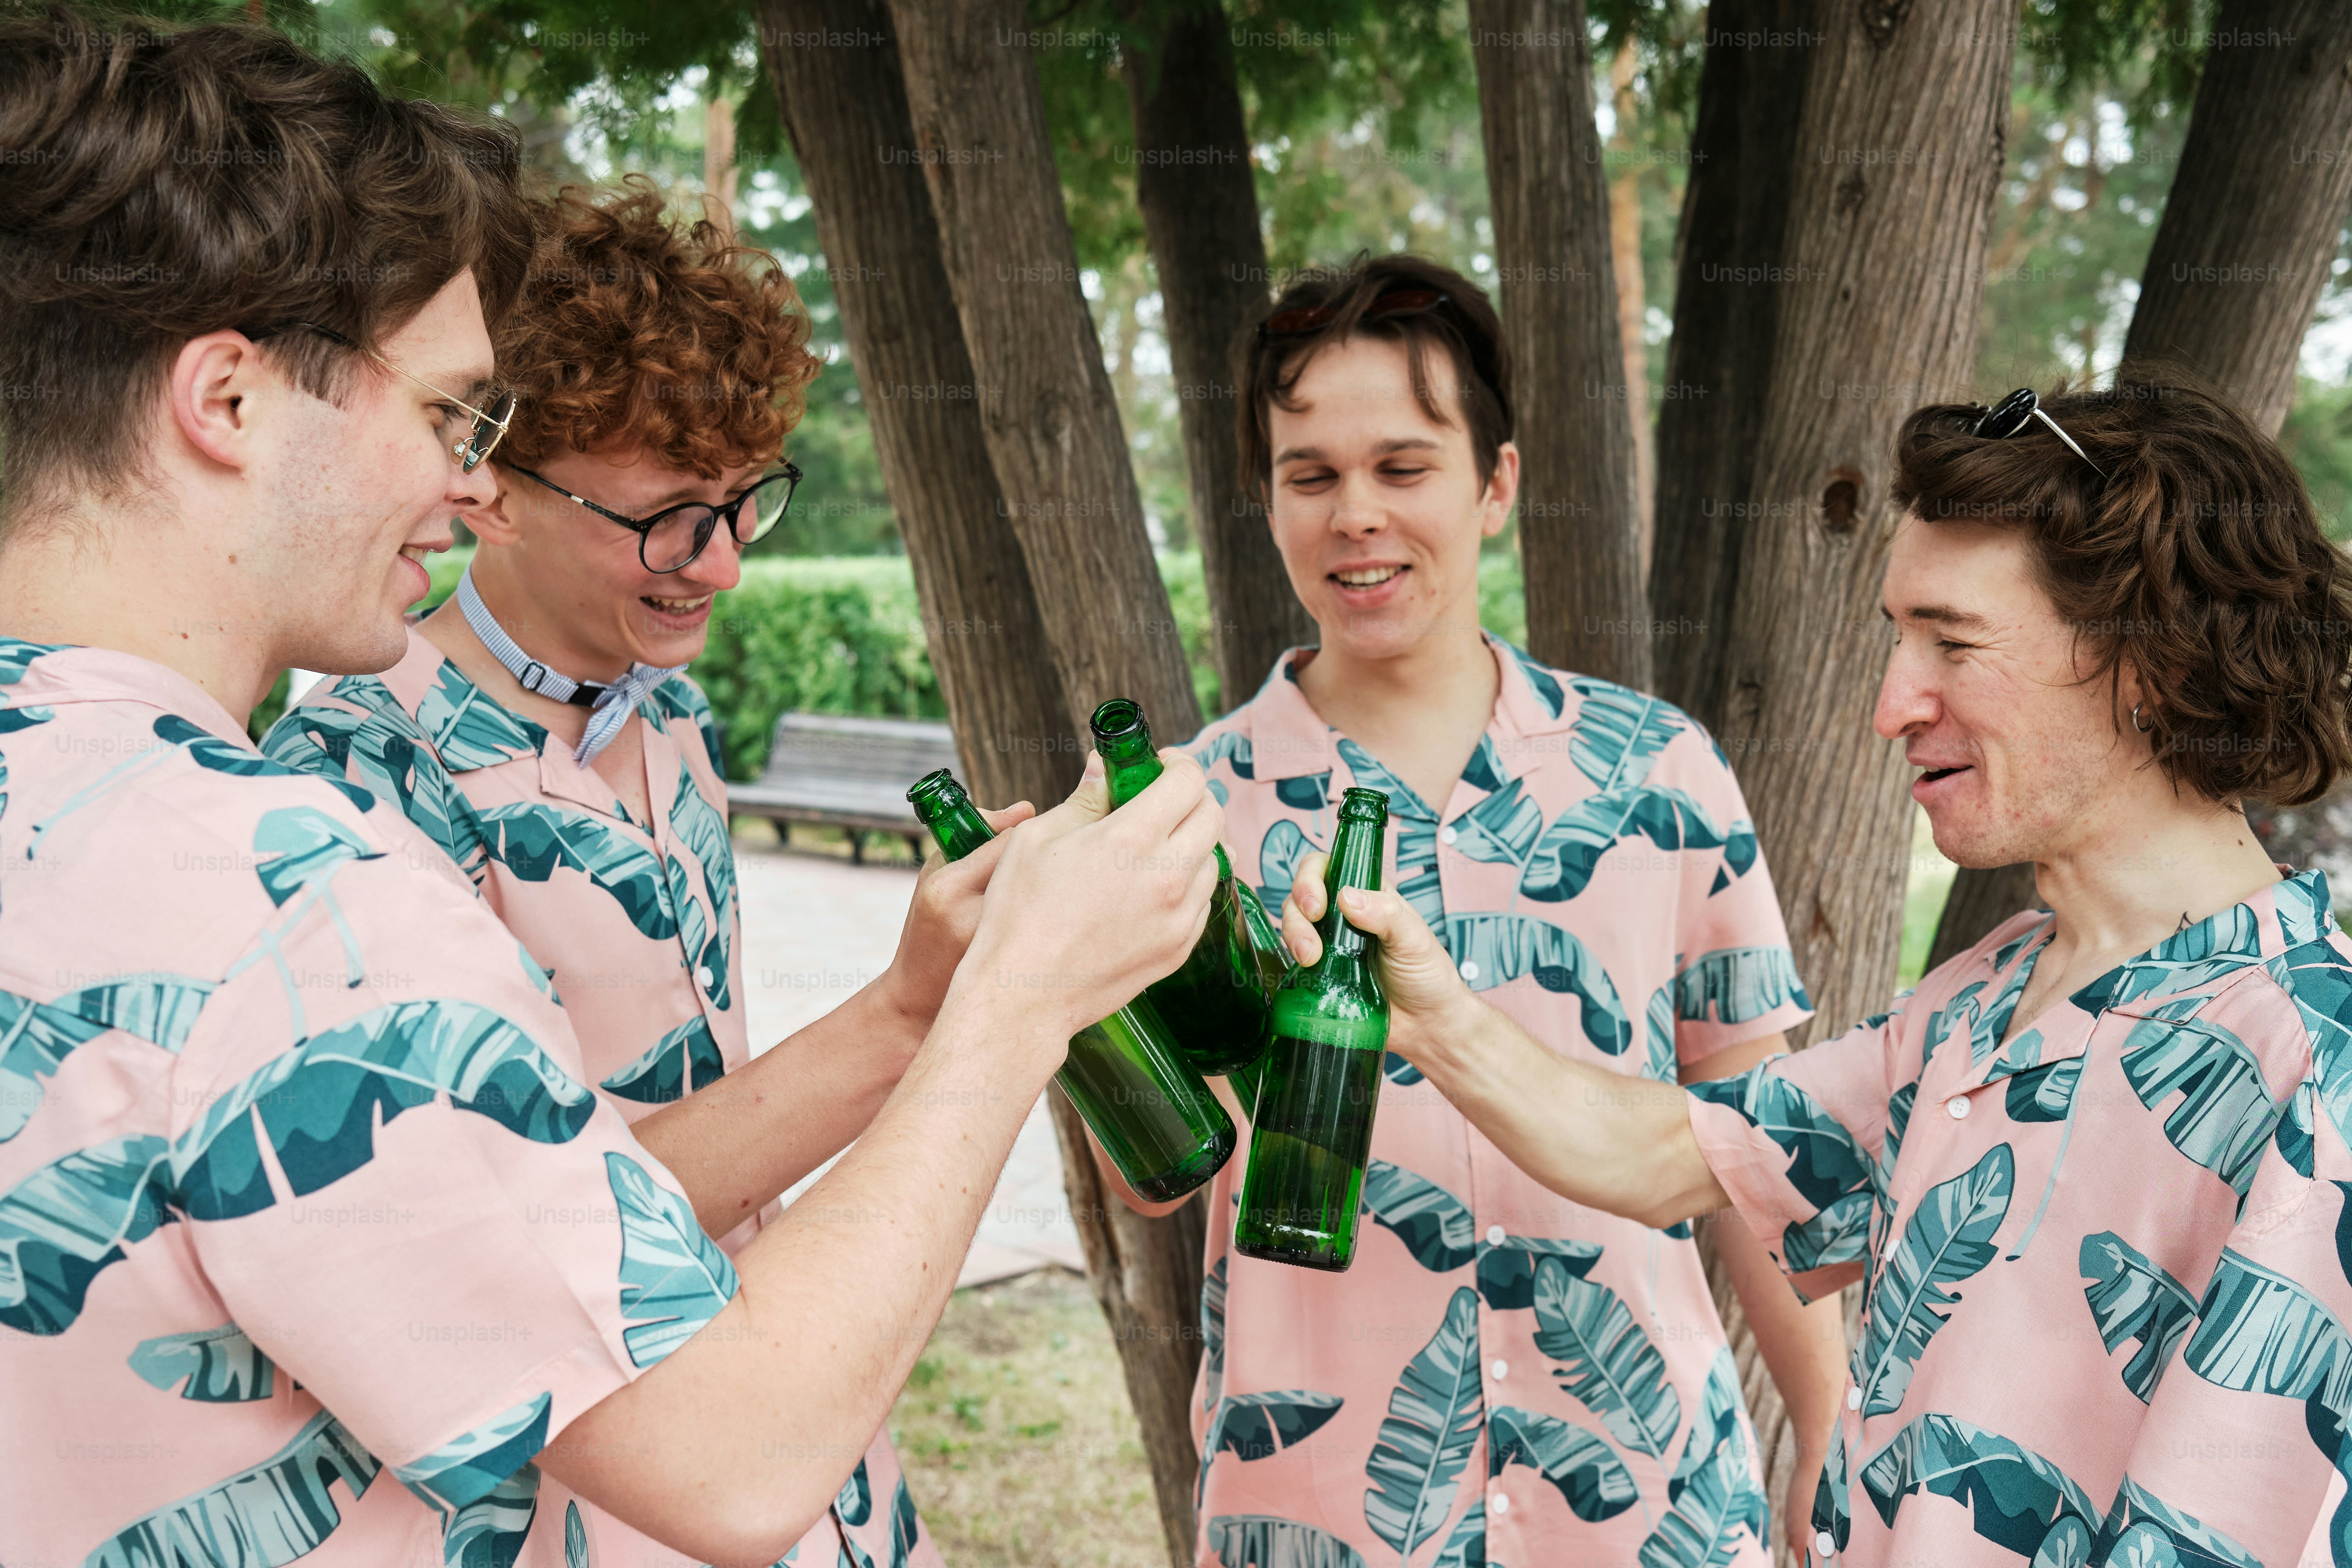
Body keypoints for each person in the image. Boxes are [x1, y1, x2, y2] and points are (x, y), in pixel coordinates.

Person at [0, 11, 1221, 1565]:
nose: (464, 480)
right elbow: (725, 1452)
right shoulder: (307, 893)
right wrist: (1020, 1001)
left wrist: (922, 1003)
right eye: (450, 415)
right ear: (227, 400)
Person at [1286, 375, 2352, 1565]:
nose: (1893, 704)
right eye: (1898, 642)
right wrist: (1432, 1018)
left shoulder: (2317, 1065)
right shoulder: (1987, 996)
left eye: (1952, 643)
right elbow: (1672, 1154)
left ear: (2146, 662)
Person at [1096, 255, 1848, 1567]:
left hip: (1649, 1502)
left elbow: (1753, 1154)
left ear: (1495, 483)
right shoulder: (1184, 811)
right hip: (1326, 1511)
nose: (1356, 518)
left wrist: (1828, 1422)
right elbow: (1157, 1178)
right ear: (1264, 499)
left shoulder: (1661, 772)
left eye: (1404, 468)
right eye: (1311, 476)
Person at [259, 179, 934, 1566]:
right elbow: (533, 1220)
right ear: (492, 486)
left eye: (746, 504)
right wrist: (922, 1013)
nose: (725, 566)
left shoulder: (669, 710)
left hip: (792, 1440)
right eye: (671, 517)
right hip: (593, 1489)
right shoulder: (355, 786)